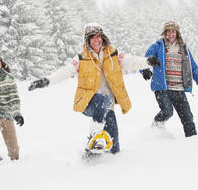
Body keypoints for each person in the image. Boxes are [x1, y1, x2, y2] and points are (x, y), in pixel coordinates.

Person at [28, 22, 160, 156]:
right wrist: (47, 81)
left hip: (108, 106)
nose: (96, 40)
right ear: (87, 40)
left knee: (114, 148)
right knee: (103, 100)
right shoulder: (81, 58)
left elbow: (131, 61)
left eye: (99, 36)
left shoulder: (113, 54)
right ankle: (94, 136)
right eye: (93, 37)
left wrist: (147, 62)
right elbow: (66, 71)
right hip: (88, 102)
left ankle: (92, 155)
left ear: (103, 37)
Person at [141, 21, 198, 137]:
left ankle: (193, 141)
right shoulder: (157, 46)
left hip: (179, 88)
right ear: (164, 33)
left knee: (187, 117)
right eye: (168, 31)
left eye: (173, 31)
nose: (171, 34)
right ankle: (154, 130)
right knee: (167, 111)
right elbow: (143, 61)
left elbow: (193, 68)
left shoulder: (183, 49)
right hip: (162, 88)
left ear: (177, 32)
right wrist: (144, 70)